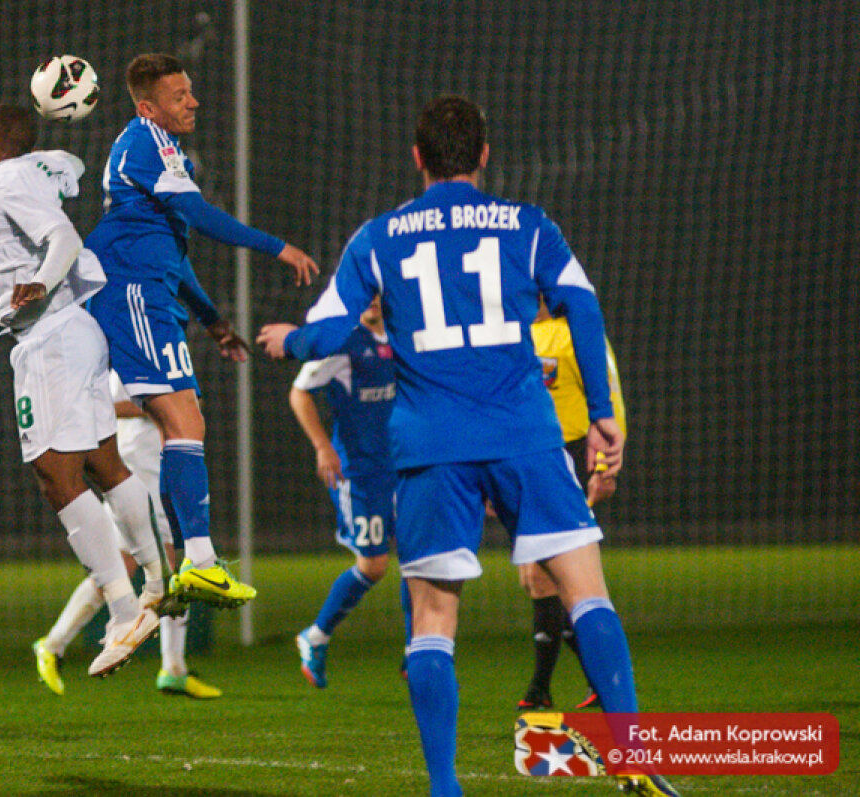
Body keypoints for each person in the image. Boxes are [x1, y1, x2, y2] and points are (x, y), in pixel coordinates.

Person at [257, 95, 679, 797]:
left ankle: (445, 788)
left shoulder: (378, 236)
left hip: (430, 445)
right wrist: (602, 412)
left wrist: (289, 341)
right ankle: (631, 754)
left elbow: (328, 333)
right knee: (588, 595)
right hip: (525, 433)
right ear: (484, 154)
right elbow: (583, 303)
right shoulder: (527, 224)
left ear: (417, 158)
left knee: (432, 619)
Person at [84, 52, 319, 607]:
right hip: (132, 293)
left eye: (190, 91)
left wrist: (213, 321)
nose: (193, 102)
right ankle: (188, 563)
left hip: (151, 291)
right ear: (148, 106)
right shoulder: (145, 142)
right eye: (179, 96)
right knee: (181, 420)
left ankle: (194, 562)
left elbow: (175, 247)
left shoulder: (162, 150)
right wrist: (276, 247)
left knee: (183, 424)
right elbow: (205, 217)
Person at [0, 104, 174, 681]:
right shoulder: (29, 172)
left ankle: (125, 611)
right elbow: (71, 164)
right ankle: (157, 578)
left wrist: (40, 279)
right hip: (69, 333)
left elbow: (61, 235)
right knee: (106, 464)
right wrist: (45, 157)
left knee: (56, 475)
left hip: (49, 335)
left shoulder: (7, 178)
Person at [34, 370, 223, 699]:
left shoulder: (164, 347)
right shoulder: (128, 356)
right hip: (137, 467)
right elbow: (109, 403)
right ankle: (172, 667)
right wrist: (164, 406)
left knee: (127, 568)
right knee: (163, 570)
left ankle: (54, 645)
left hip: (157, 465)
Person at [287, 298, 412, 688]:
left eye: (379, 292)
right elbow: (299, 392)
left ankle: (417, 651)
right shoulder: (342, 342)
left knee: (418, 558)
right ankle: (316, 636)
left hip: (405, 464)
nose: (374, 300)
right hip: (358, 472)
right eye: (367, 292)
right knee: (374, 566)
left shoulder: (405, 334)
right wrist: (323, 446)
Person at [516, 301, 628, 712]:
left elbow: (609, 396)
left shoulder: (576, 333)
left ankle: (540, 689)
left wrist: (605, 465)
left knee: (548, 576)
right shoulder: (514, 330)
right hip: (529, 460)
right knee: (535, 579)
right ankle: (590, 682)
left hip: (572, 456)